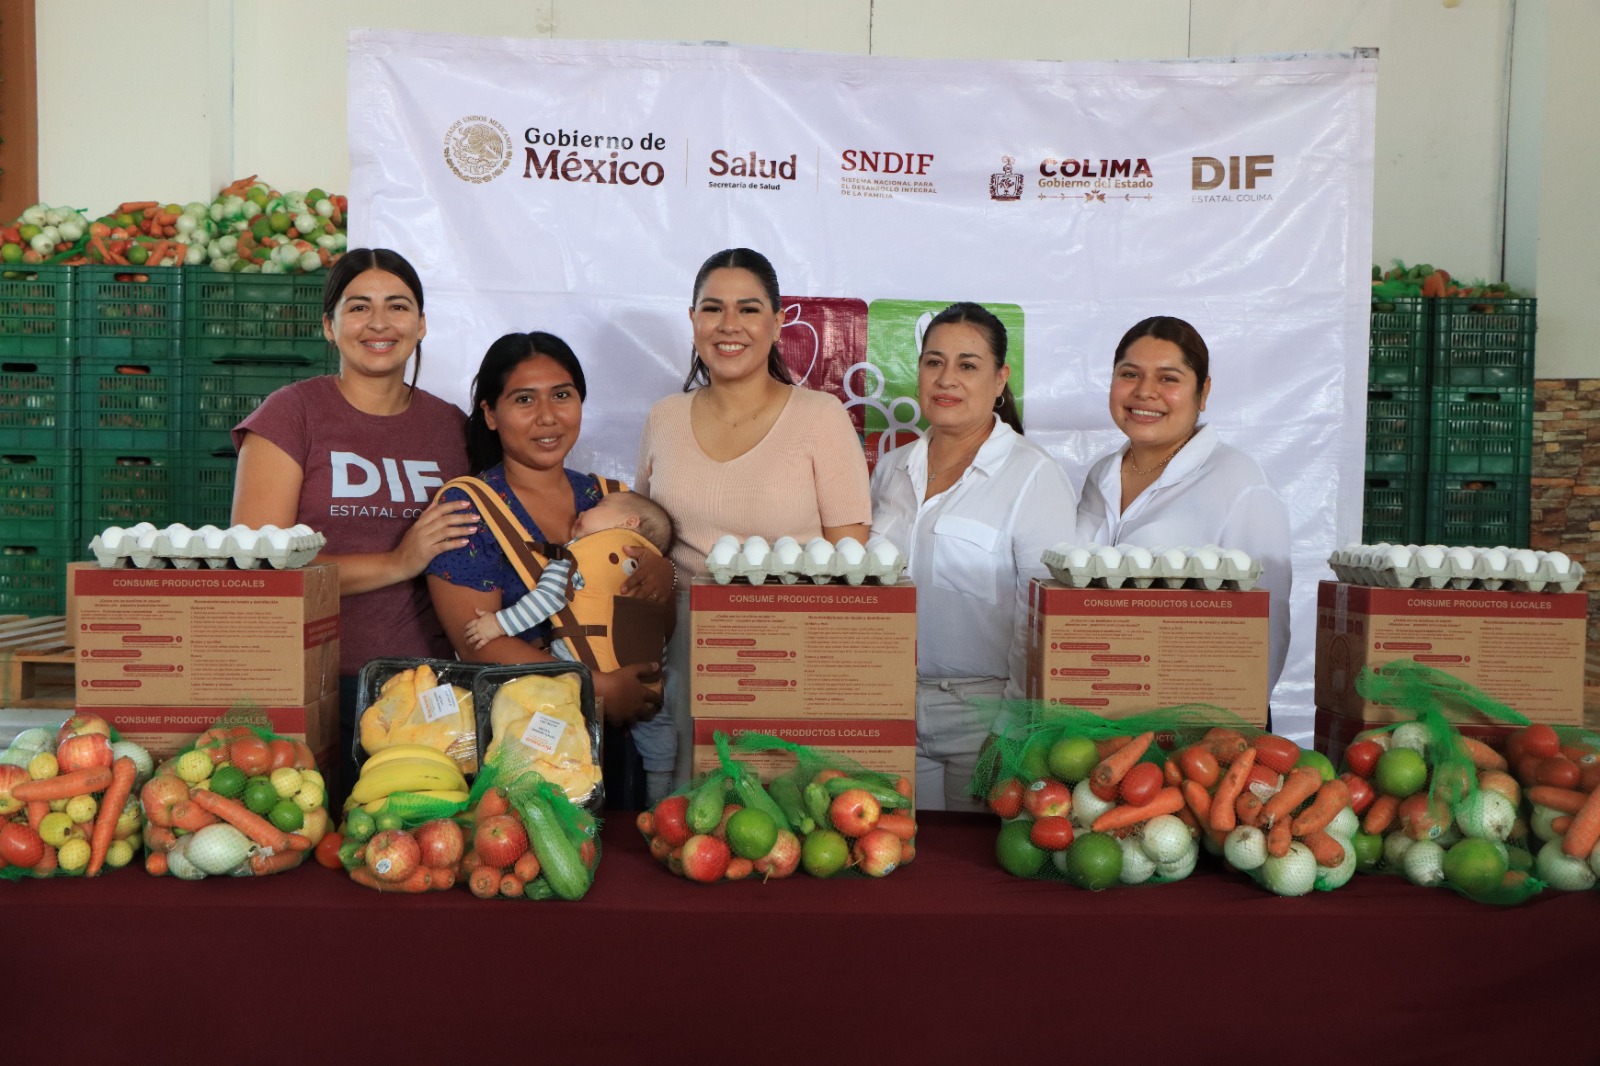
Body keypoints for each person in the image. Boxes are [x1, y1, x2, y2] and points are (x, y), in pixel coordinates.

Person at [231, 248, 475, 793]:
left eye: (398, 306)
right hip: (311, 685)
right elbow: (257, 569)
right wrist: (397, 562)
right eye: (359, 307)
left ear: (421, 324)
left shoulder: (451, 427)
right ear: (329, 325)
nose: (379, 323)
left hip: (427, 689)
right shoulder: (292, 414)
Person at [636, 247, 872, 788]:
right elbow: (644, 537)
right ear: (692, 319)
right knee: (687, 810)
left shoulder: (820, 417)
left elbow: (849, 563)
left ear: (778, 321)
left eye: (748, 308)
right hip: (681, 653)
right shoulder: (664, 417)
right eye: (712, 308)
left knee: (782, 812)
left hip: (791, 649)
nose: (729, 325)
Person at [426, 331, 675, 808]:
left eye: (562, 395)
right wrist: (593, 686)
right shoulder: (467, 507)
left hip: (625, 742)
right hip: (523, 746)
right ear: (490, 414)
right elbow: (477, 643)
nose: (547, 416)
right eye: (524, 399)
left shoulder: (611, 498)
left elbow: (653, 625)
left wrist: (666, 576)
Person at [869, 302, 1078, 812]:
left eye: (968, 365)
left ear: (1000, 378)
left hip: (983, 714)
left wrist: (1011, 728)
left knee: (973, 857)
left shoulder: (1033, 475)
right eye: (933, 362)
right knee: (892, 847)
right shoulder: (892, 469)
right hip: (889, 704)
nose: (947, 379)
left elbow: (1043, 620)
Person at [1076, 315, 1292, 698]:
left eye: (1168, 378)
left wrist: (1238, 720)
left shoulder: (1239, 481)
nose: (1145, 392)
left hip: (1201, 713)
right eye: (1129, 374)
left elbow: (1266, 625)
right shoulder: (1102, 475)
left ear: (1202, 392)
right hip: (1106, 697)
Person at [462, 489, 673, 666]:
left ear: (629, 522)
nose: (583, 511)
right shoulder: (651, 574)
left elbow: (549, 597)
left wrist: (499, 624)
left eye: (599, 505)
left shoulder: (579, 555)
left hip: (581, 665)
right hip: (643, 676)